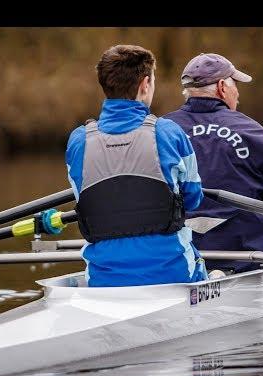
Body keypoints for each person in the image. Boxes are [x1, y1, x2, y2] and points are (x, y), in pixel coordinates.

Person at [65, 45, 207, 287]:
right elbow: (193, 199)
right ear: (145, 84)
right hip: (173, 274)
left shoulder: (78, 141)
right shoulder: (169, 132)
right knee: (211, 268)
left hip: (104, 280)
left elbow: (86, 201)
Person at [163, 53, 263, 274]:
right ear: (222, 87)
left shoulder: (159, 132)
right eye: (235, 84)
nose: (238, 92)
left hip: (175, 258)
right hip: (242, 258)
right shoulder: (255, 133)